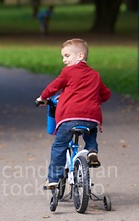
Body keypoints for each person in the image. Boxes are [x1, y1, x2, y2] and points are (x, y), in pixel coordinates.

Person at [36, 38, 111, 188]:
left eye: (67, 56)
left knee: (59, 146)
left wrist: (42, 97)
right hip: (91, 117)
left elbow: (54, 86)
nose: (64, 60)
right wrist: (95, 100)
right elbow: (106, 94)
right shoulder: (95, 75)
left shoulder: (68, 72)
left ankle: (53, 179)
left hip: (69, 117)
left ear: (80, 56)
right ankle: (91, 151)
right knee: (91, 132)